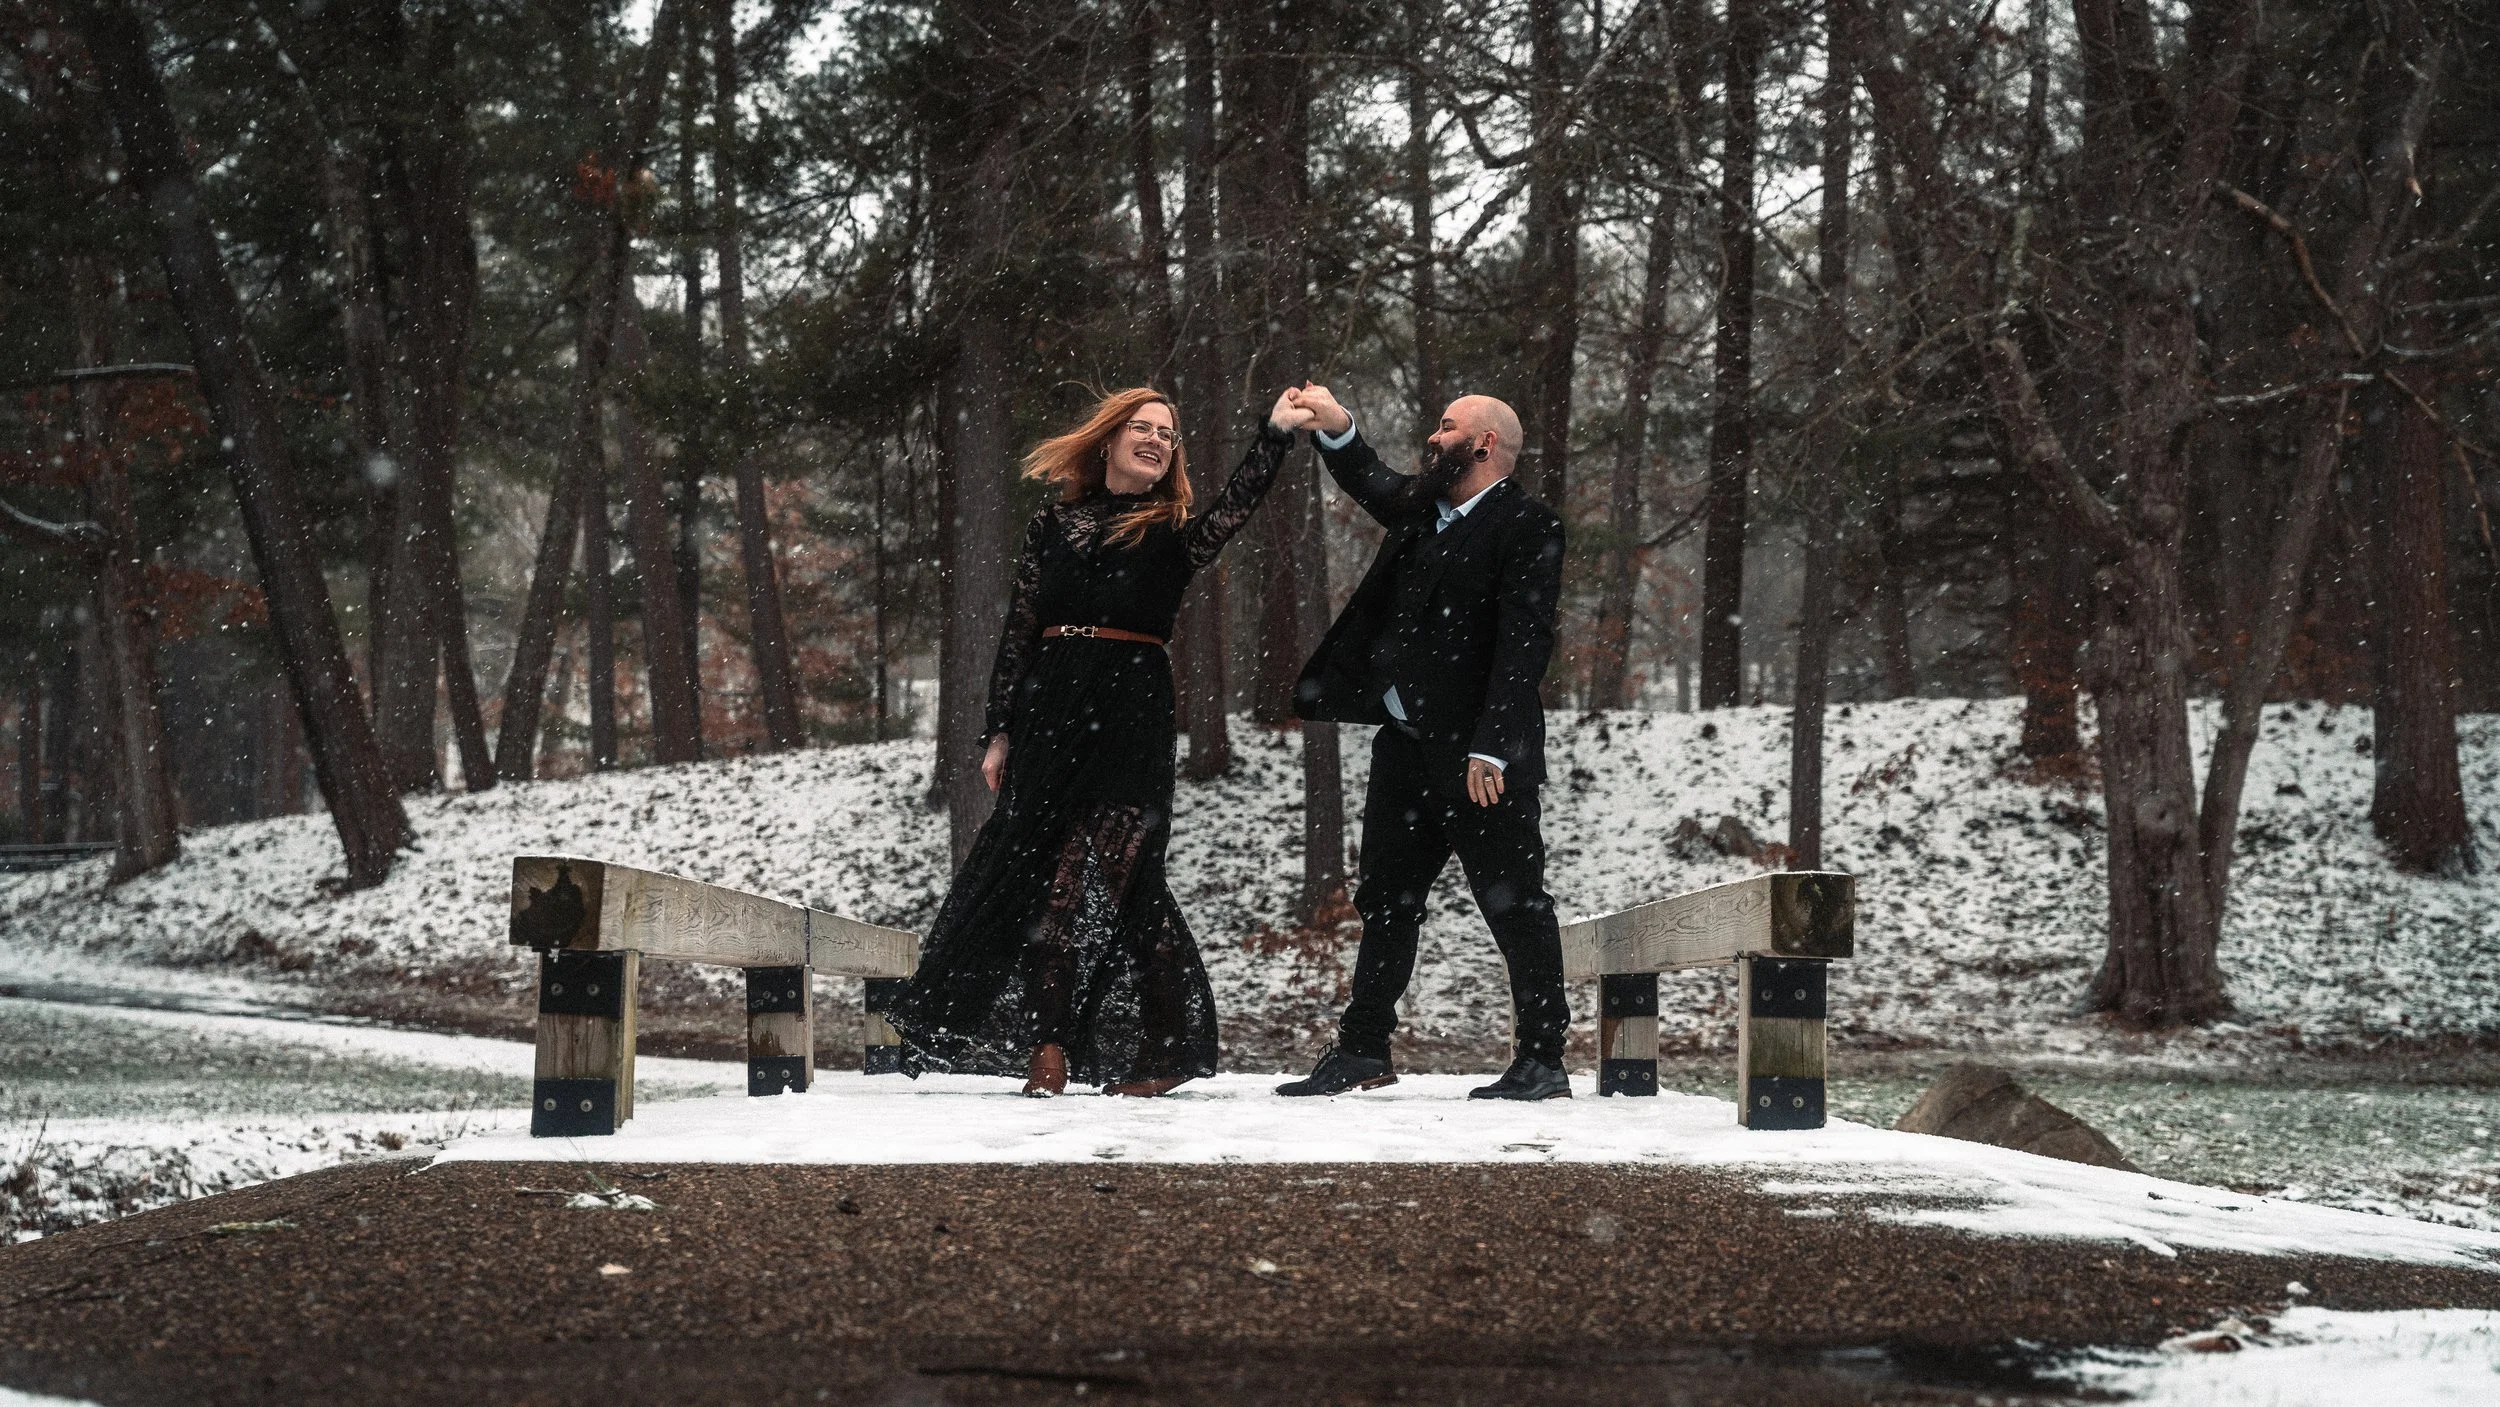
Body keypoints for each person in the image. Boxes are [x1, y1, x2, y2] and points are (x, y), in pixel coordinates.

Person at [887, 385, 1318, 1097]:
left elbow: (1236, 510)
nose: (1156, 439)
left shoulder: (1173, 529)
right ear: (1110, 439)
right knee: (1041, 876)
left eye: (1168, 433)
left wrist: (1273, 435)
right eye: (1143, 428)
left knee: (1130, 880)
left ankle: (1163, 1047)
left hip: (1130, 707)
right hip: (1050, 705)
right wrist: (1000, 731)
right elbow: (1020, 628)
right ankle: (1048, 1047)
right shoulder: (1053, 523)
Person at [1274, 385, 1572, 1101]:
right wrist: (1340, 426)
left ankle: (1542, 1059)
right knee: (1387, 898)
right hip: (1405, 748)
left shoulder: (1527, 525)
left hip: (1479, 759)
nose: (1433, 439)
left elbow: (1523, 642)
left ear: (1485, 444)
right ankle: (1363, 1048)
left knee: (1514, 902)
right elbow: (1370, 478)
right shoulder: (1422, 512)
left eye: (1447, 428)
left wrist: (1492, 747)